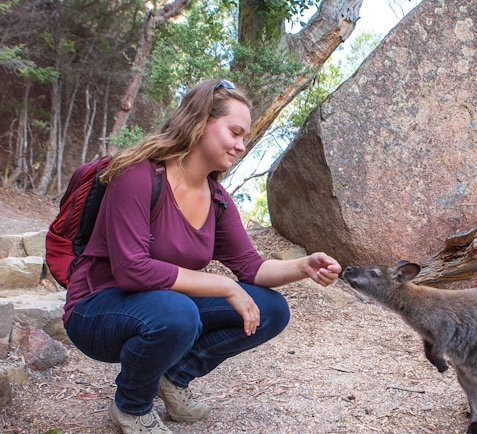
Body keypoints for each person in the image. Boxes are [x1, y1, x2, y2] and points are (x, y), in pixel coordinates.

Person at [62, 79, 342, 434]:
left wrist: (304, 266)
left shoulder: (218, 199)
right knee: (178, 313)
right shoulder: (138, 175)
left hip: (159, 305)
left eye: (244, 137)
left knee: (271, 309)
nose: (241, 146)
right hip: (96, 309)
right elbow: (133, 270)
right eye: (235, 132)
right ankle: (131, 407)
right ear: (200, 121)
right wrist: (224, 285)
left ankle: (173, 377)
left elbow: (252, 267)